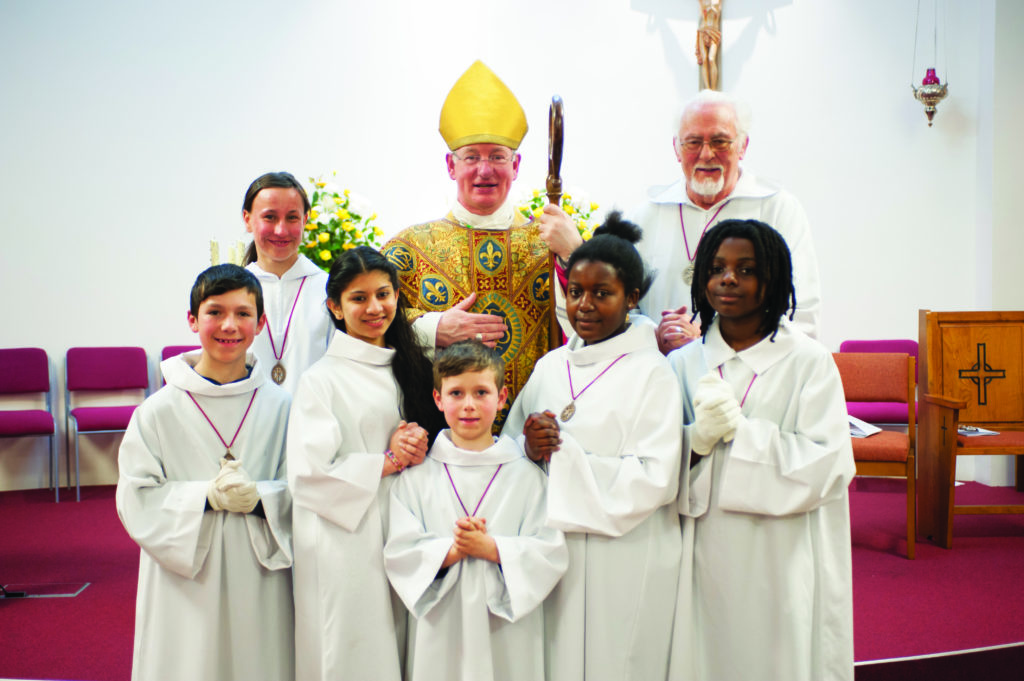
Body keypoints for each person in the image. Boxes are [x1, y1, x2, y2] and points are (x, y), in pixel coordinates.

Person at [667, 219, 854, 681]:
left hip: (780, 548)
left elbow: (829, 463)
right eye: (717, 268)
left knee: (775, 653)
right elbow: (657, 457)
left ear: (773, 280)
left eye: (746, 269)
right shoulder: (682, 364)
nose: (728, 279)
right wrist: (697, 439)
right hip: (704, 544)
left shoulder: (808, 361)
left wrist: (742, 434)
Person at [503, 212, 683, 681]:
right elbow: (507, 448)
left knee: (618, 662)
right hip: (555, 552)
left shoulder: (653, 373)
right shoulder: (549, 366)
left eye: (602, 293)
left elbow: (655, 477)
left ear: (632, 298)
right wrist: (528, 448)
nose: (584, 305)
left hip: (624, 554)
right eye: (576, 291)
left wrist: (563, 456)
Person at [116, 264, 294, 681]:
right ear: (193, 319)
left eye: (243, 313)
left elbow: (306, 487)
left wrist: (263, 496)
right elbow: (135, 497)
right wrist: (204, 498)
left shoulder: (282, 407)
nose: (229, 325)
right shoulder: (157, 411)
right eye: (215, 312)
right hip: (186, 576)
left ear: (261, 322)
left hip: (260, 573)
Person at [382, 60, 581, 420]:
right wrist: (433, 328)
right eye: (471, 157)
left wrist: (574, 256)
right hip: (441, 438)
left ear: (516, 166)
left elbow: (595, 323)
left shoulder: (547, 243)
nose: (484, 170)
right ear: (450, 165)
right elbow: (368, 323)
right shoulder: (408, 249)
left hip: (534, 434)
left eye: (497, 157)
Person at [286, 246, 444, 681]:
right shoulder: (321, 380)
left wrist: (416, 444)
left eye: (384, 294)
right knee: (354, 644)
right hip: (344, 534)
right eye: (358, 298)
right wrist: (389, 460)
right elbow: (308, 474)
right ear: (335, 307)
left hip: (402, 522)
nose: (375, 308)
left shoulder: (410, 366)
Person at [383, 341, 568, 681]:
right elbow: (399, 551)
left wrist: (492, 549)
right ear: (438, 399)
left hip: (508, 632)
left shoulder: (526, 476)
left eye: (481, 392)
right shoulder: (417, 477)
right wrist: (450, 551)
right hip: (440, 626)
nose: (468, 405)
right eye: (456, 394)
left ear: (502, 397)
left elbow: (550, 551)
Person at [630, 89, 822, 353]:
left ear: (743, 146)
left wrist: (711, 344)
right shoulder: (645, 216)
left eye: (720, 141)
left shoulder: (777, 209)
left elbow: (800, 313)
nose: (706, 154)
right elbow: (623, 308)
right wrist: (656, 335)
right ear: (676, 148)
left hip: (747, 382)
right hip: (660, 378)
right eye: (693, 142)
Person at [242, 171, 332, 393]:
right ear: (248, 220)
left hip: (314, 418)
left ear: (305, 220)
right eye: (270, 217)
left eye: (292, 217)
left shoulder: (328, 288)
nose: (281, 230)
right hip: (248, 421)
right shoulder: (232, 291)